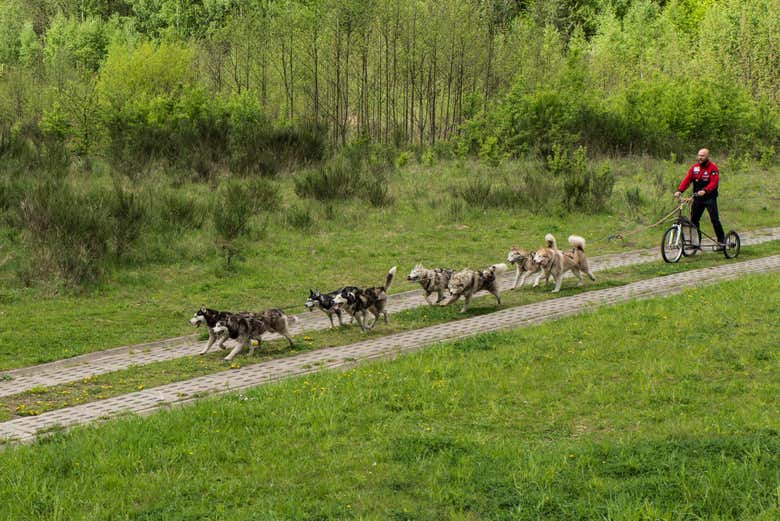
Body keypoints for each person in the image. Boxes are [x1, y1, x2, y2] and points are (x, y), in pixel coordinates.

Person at [674, 148, 725, 246]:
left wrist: (705, 190)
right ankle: (696, 242)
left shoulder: (713, 168)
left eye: (703, 156)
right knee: (694, 220)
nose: (700, 158)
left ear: (707, 156)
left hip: (710, 198)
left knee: (714, 220)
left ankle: (721, 241)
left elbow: (714, 183)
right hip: (697, 198)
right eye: (699, 155)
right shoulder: (694, 168)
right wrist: (680, 191)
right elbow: (687, 180)